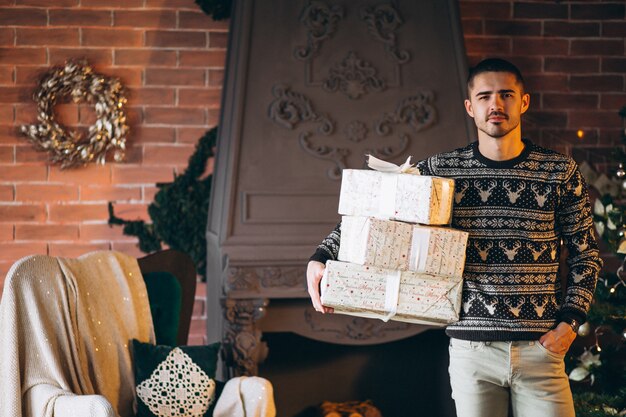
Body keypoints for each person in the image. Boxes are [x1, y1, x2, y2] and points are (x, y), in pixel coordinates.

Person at [305, 58, 602, 417]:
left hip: (542, 350)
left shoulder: (558, 171)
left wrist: (569, 324)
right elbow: (377, 213)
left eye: (506, 94)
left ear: (524, 102)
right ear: (470, 107)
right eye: (485, 96)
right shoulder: (441, 172)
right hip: (471, 351)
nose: (496, 105)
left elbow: (586, 254)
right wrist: (322, 257)